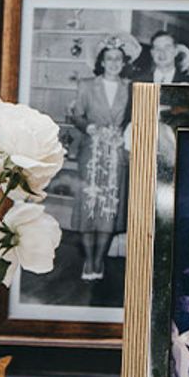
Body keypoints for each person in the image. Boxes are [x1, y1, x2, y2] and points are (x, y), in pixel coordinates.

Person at [69, 35, 135, 282]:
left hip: (117, 154)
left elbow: (134, 119)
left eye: (118, 59)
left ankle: (99, 261)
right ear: (102, 62)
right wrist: (91, 128)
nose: (114, 63)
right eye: (109, 58)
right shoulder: (87, 85)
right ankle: (88, 260)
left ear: (123, 63)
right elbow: (77, 116)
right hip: (91, 154)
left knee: (109, 209)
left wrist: (122, 133)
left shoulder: (131, 88)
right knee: (89, 207)